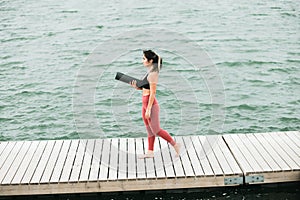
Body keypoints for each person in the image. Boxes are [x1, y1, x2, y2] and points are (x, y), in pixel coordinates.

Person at [130, 50, 180, 158]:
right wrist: (137, 87)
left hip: (151, 105)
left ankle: (175, 145)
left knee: (156, 130)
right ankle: (150, 152)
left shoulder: (153, 74)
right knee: (149, 129)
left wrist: (148, 109)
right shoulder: (149, 72)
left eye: (144, 58)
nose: (142, 61)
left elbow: (153, 92)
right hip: (145, 104)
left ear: (150, 60)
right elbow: (145, 88)